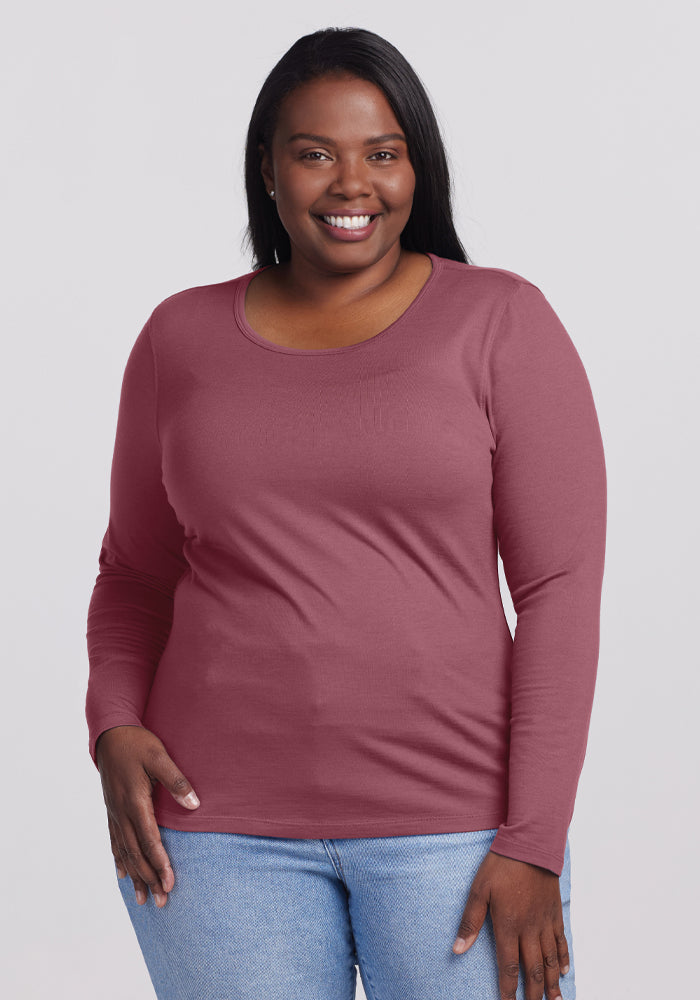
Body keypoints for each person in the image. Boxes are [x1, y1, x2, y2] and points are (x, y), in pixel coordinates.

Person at [85, 25, 606, 1000]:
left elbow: (558, 592)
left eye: (382, 152)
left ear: (419, 167)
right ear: (268, 167)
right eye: (315, 152)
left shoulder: (500, 322)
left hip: (456, 831)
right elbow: (134, 575)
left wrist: (532, 840)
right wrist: (111, 724)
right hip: (213, 837)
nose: (350, 182)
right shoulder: (179, 338)